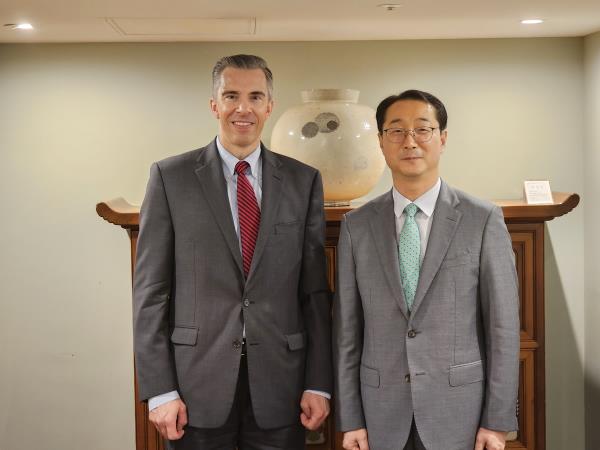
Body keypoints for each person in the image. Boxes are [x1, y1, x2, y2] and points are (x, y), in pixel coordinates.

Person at [133, 54, 332, 450]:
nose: (244, 108)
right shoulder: (170, 178)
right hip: (194, 388)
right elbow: (151, 294)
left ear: (269, 106)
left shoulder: (303, 181)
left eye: (256, 97)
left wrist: (318, 383)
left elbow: (314, 294)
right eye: (231, 96)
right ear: (214, 105)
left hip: (282, 385)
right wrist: (160, 390)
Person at [333, 90, 520, 450]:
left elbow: (503, 328)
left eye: (423, 130)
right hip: (380, 414)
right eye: (397, 131)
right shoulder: (356, 226)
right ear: (381, 143)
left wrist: (496, 422)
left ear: (442, 139)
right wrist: (351, 418)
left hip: (460, 413)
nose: (410, 142)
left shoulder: (482, 219)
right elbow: (347, 331)